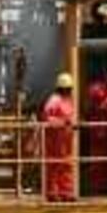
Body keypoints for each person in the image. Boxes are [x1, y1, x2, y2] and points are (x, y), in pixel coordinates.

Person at [41, 73, 76, 202]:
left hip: (66, 140)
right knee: (54, 166)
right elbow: (47, 119)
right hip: (55, 140)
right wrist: (63, 123)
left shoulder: (67, 100)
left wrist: (72, 124)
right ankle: (53, 193)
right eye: (67, 89)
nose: (69, 91)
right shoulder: (53, 101)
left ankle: (66, 192)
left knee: (67, 165)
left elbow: (69, 117)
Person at [87, 69, 107, 194]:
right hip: (98, 129)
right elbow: (91, 108)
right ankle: (96, 187)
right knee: (97, 159)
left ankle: (104, 186)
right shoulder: (96, 89)